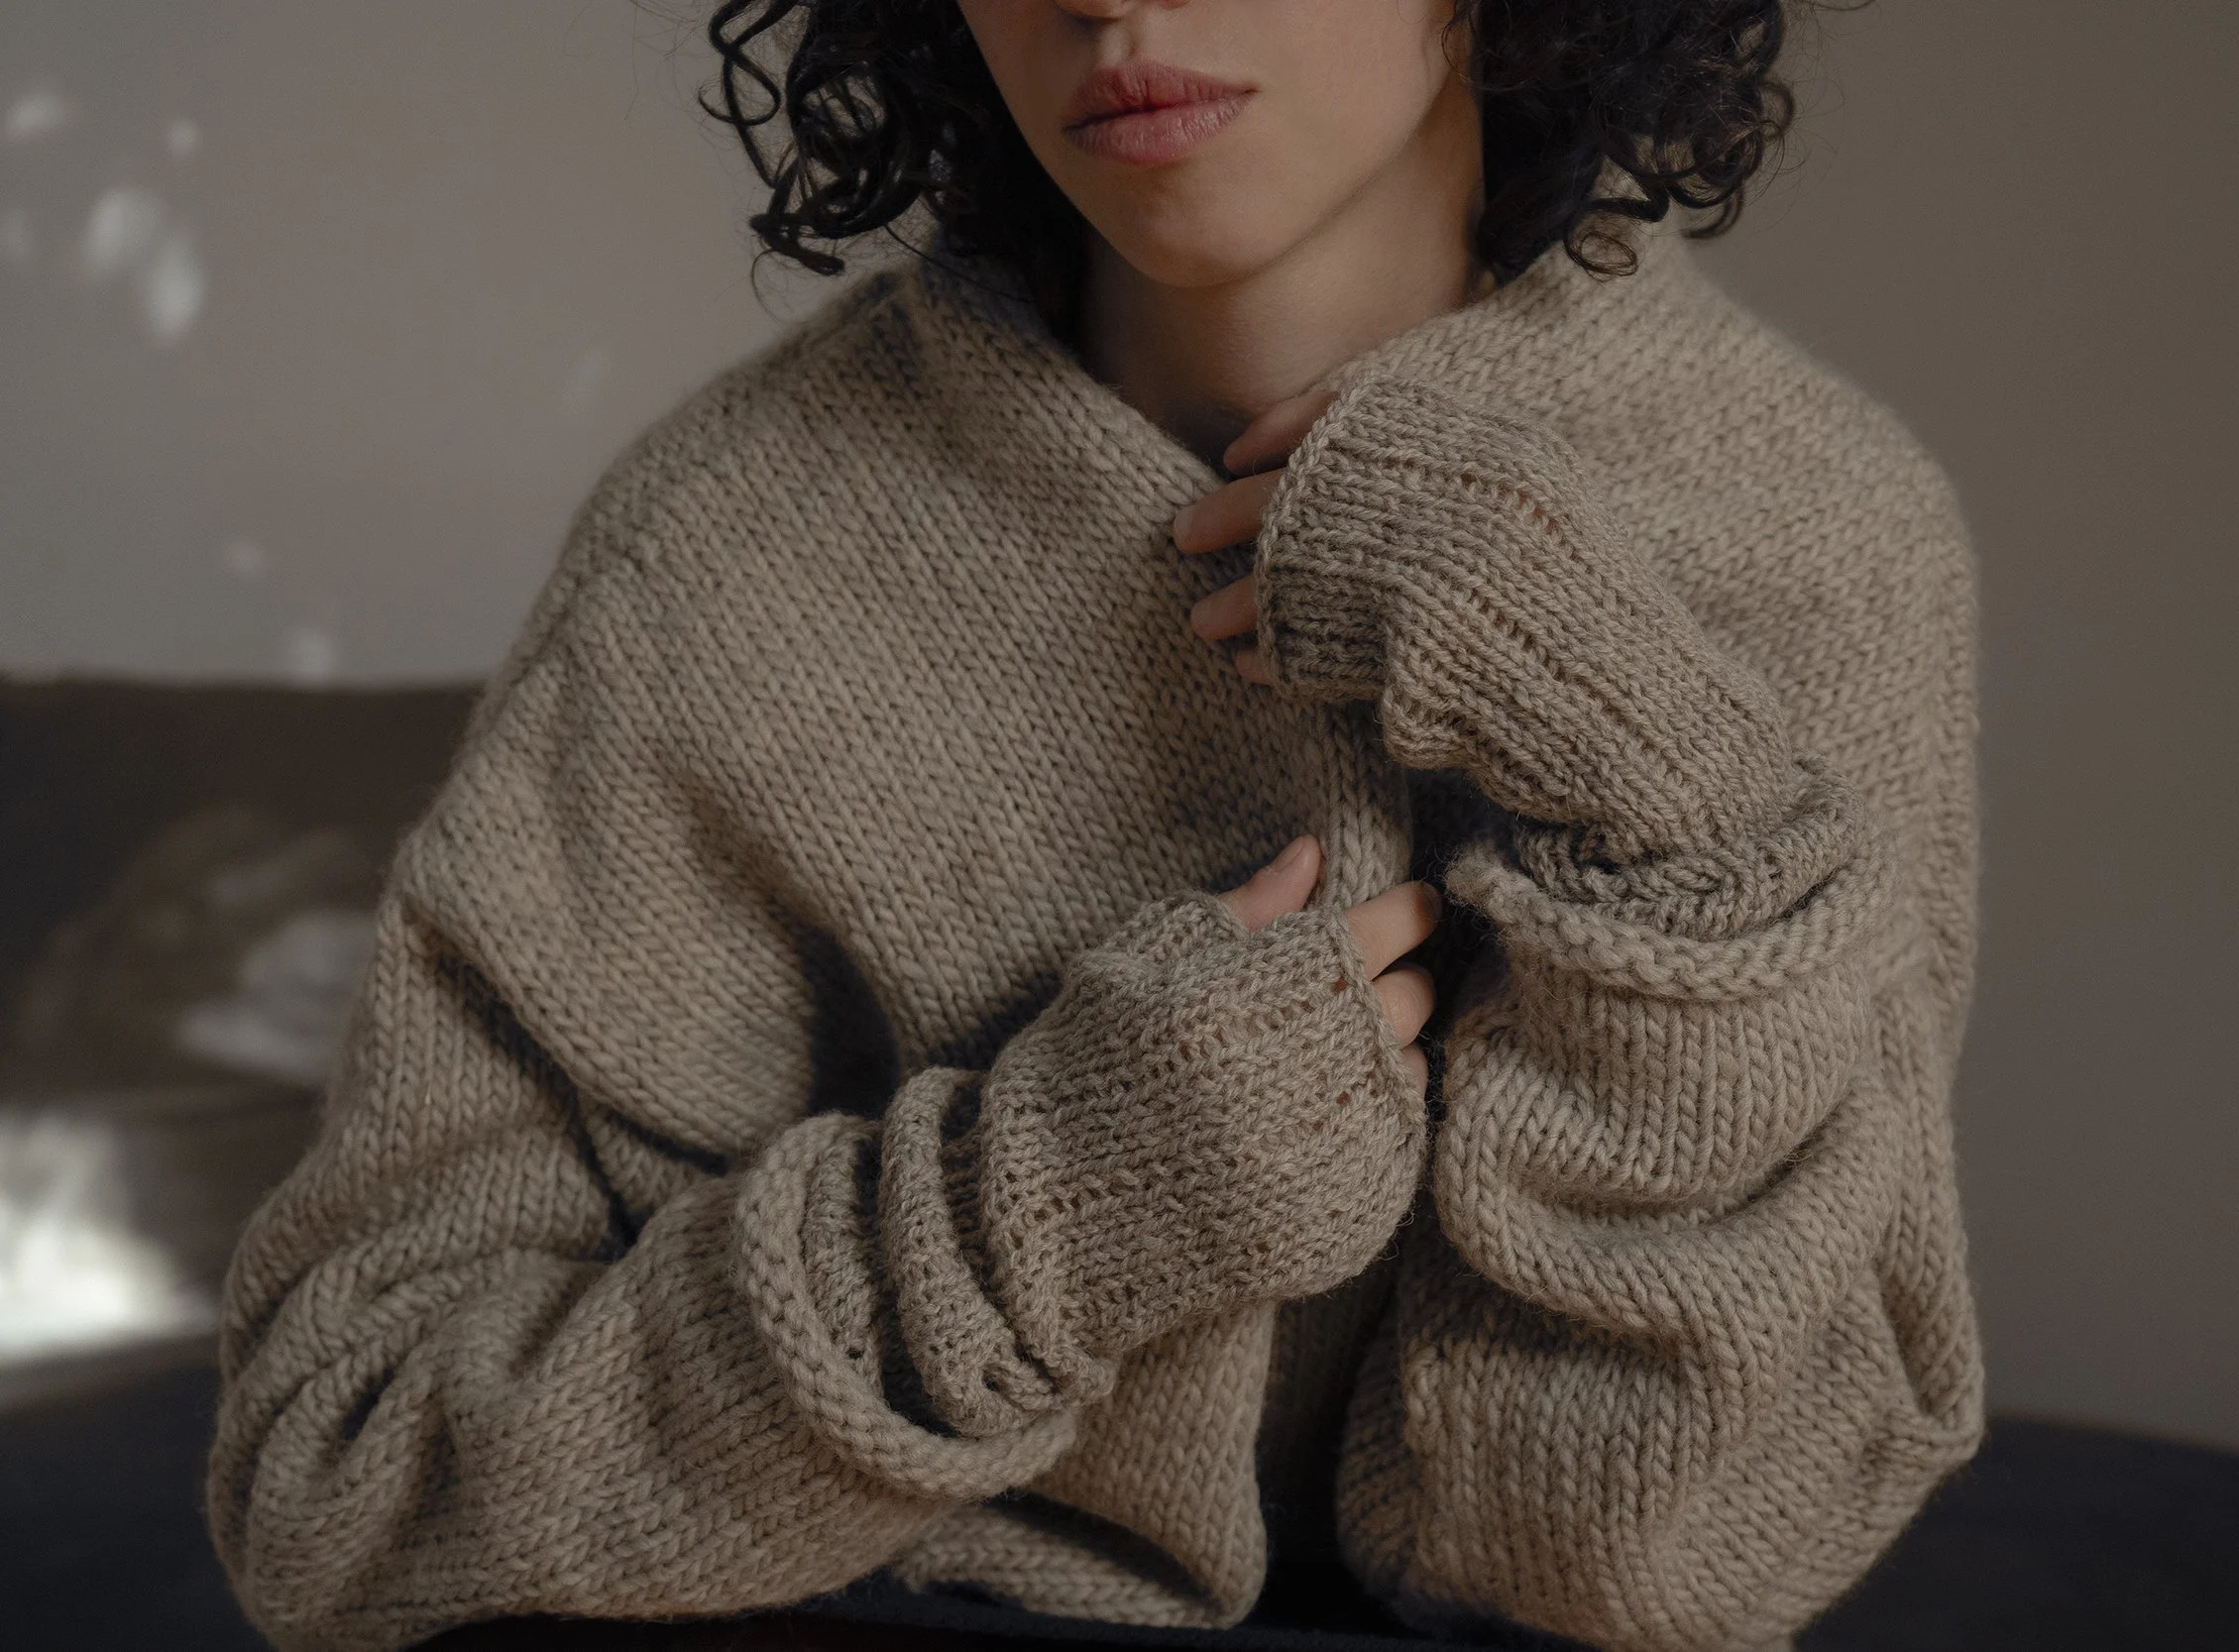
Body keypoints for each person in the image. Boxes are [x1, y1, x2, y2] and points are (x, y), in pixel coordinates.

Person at [205, 3, 1986, 1649]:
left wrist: (1683, 821)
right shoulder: (715, 568)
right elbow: (332, 1493)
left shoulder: (1815, 538)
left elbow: (1637, 1569)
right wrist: (1031, 1216)